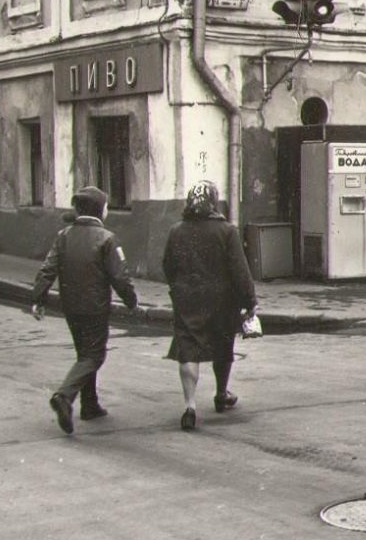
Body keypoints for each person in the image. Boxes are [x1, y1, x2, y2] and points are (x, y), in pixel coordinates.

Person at [31, 186, 138, 435]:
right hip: (95, 307)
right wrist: (131, 301)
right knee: (94, 356)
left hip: (70, 306)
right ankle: (64, 396)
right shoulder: (106, 238)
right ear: (100, 210)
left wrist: (38, 299)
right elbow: (119, 277)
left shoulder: (64, 235)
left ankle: (90, 405)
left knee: (84, 354)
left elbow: (48, 269)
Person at [161, 179, 257, 431]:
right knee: (223, 346)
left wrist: (178, 289)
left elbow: (168, 265)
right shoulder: (226, 230)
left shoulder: (176, 231)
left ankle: (189, 406)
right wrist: (250, 301)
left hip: (187, 299)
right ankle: (221, 393)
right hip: (222, 300)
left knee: (188, 349)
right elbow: (240, 269)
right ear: (214, 202)